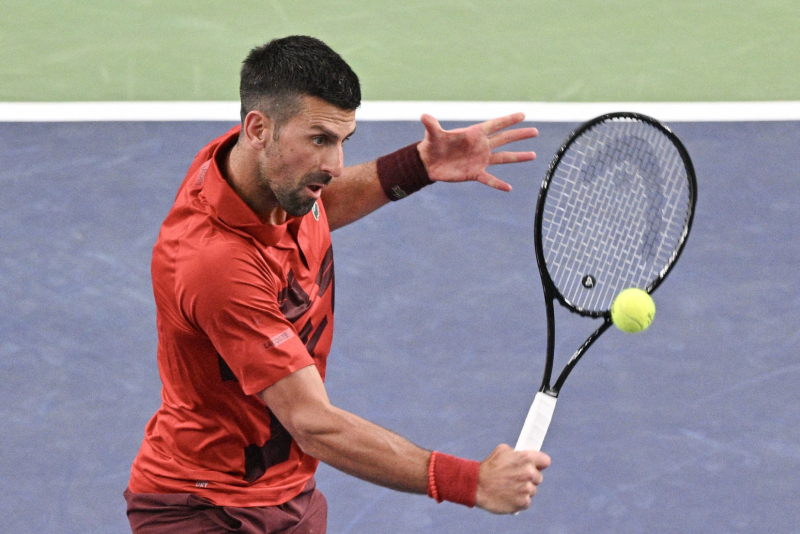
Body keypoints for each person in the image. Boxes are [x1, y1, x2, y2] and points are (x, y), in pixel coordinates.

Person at [125, 35, 551, 533]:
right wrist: (469, 481)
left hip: (286, 491)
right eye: (320, 139)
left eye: (343, 140)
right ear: (257, 129)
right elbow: (313, 424)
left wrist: (418, 166)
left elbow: (319, 207)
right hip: (203, 506)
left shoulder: (265, 177)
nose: (335, 165)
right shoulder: (215, 264)